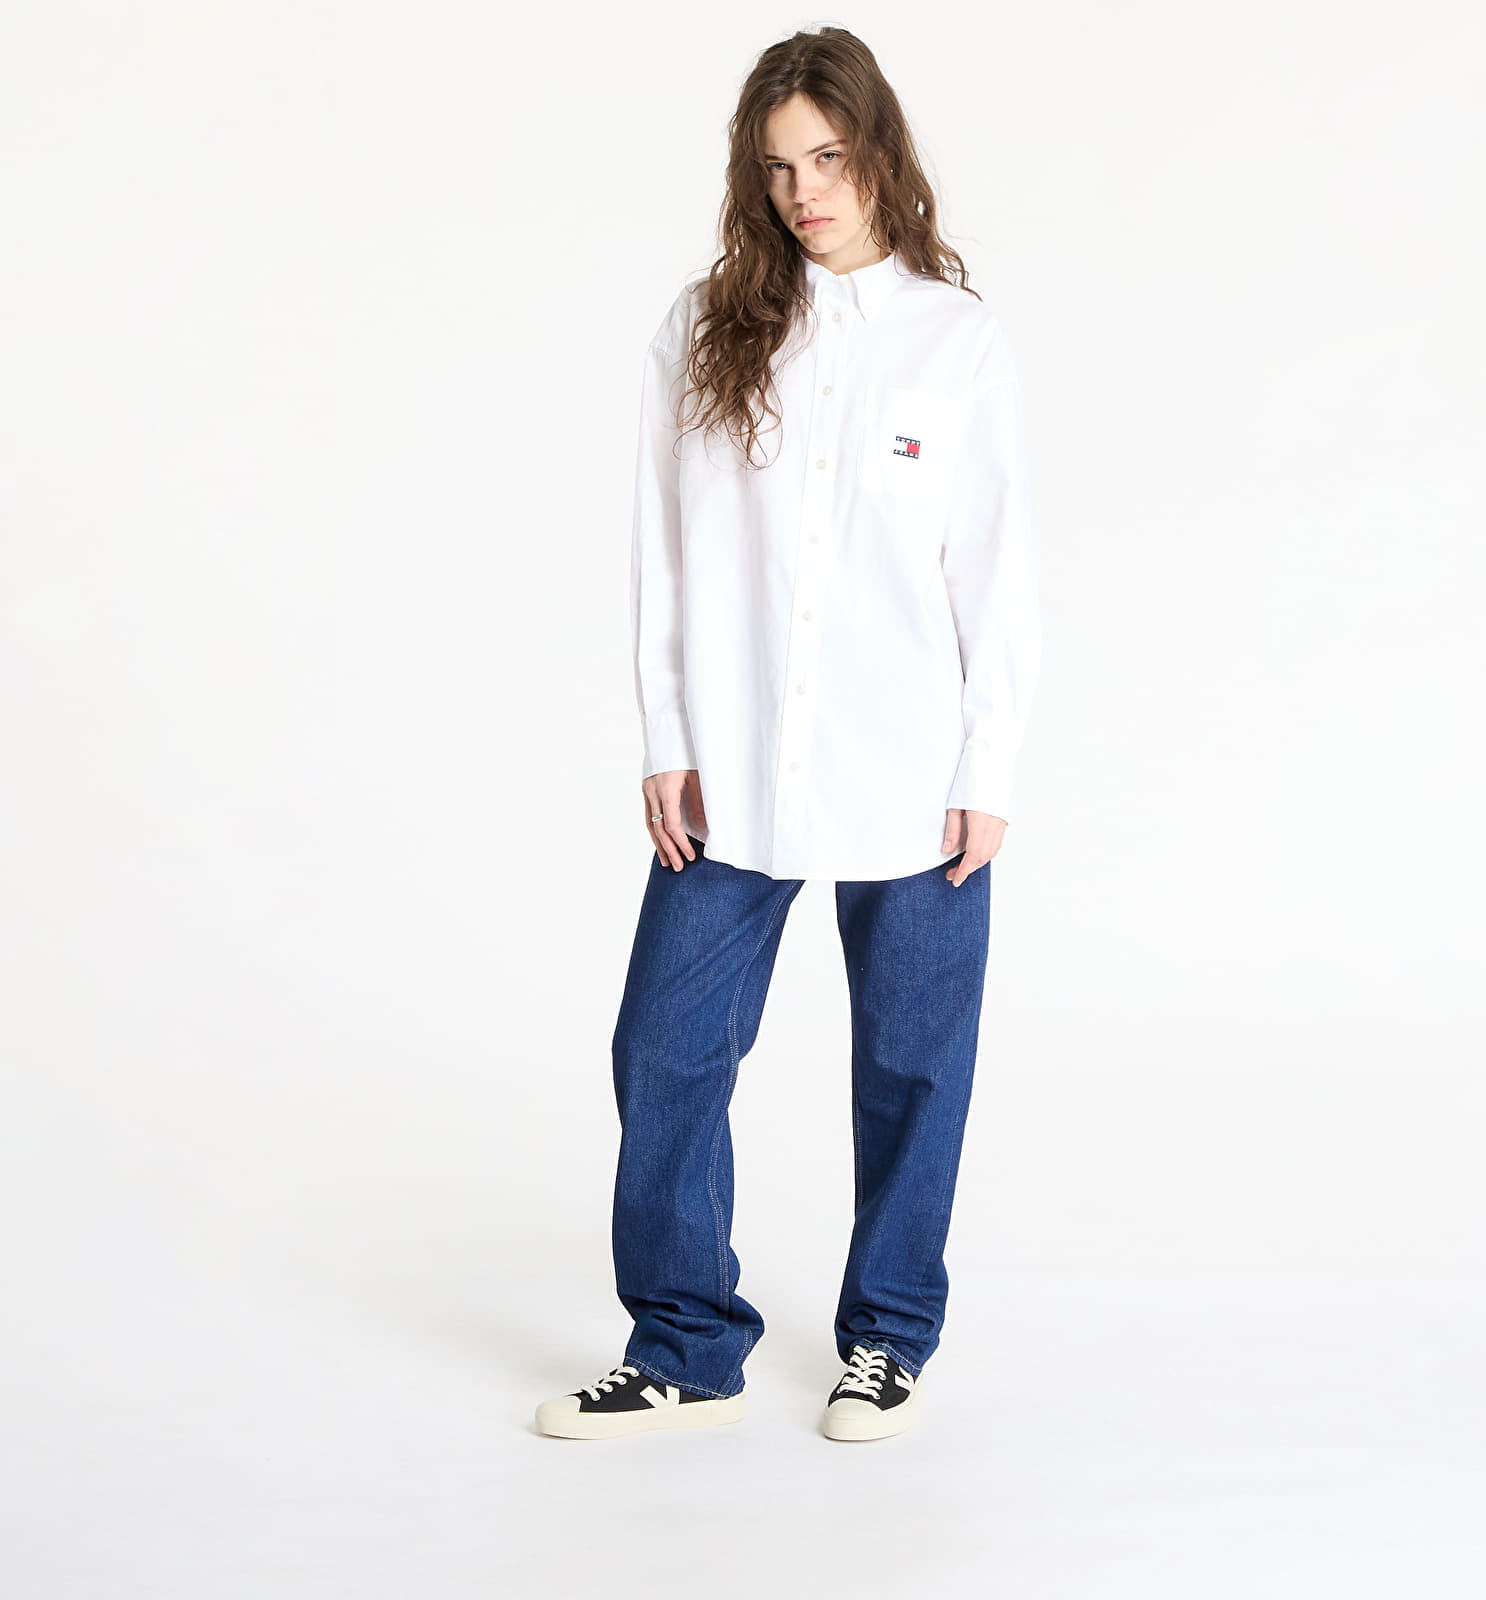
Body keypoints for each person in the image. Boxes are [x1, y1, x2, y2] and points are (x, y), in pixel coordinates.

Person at [535, 25, 1042, 1443]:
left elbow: (993, 573)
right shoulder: (706, 327)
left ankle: (887, 1336)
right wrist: (666, 733)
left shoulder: (956, 342)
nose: (803, 190)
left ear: (878, 152)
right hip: (738, 764)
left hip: (913, 765)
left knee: (913, 1066)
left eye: (826, 157)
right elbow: (665, 550)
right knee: (665, 1048)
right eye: (776, 167)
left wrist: (988, 763)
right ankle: (687, 1344)